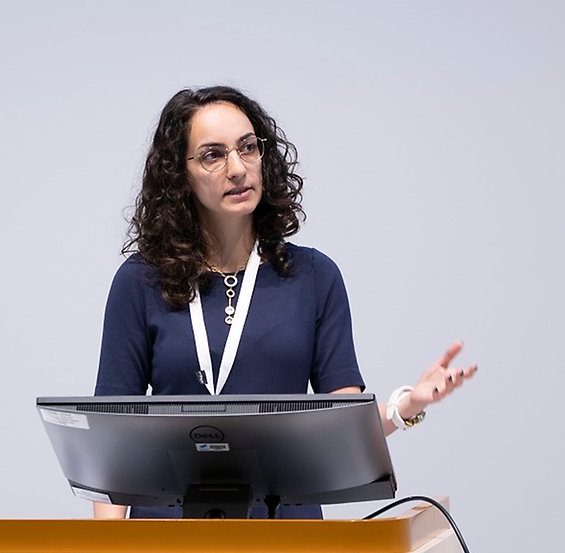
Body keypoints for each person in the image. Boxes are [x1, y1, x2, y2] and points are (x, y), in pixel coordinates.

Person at [93, 86, 476, 519]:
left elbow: (342, 426)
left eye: (248, 148)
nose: (237, 169)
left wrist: (407, 405)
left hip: (288, 542)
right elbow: (111, 442)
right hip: (167, 546)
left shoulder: (314, 277)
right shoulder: (141, 281)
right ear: (179, 176)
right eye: (213, 155)